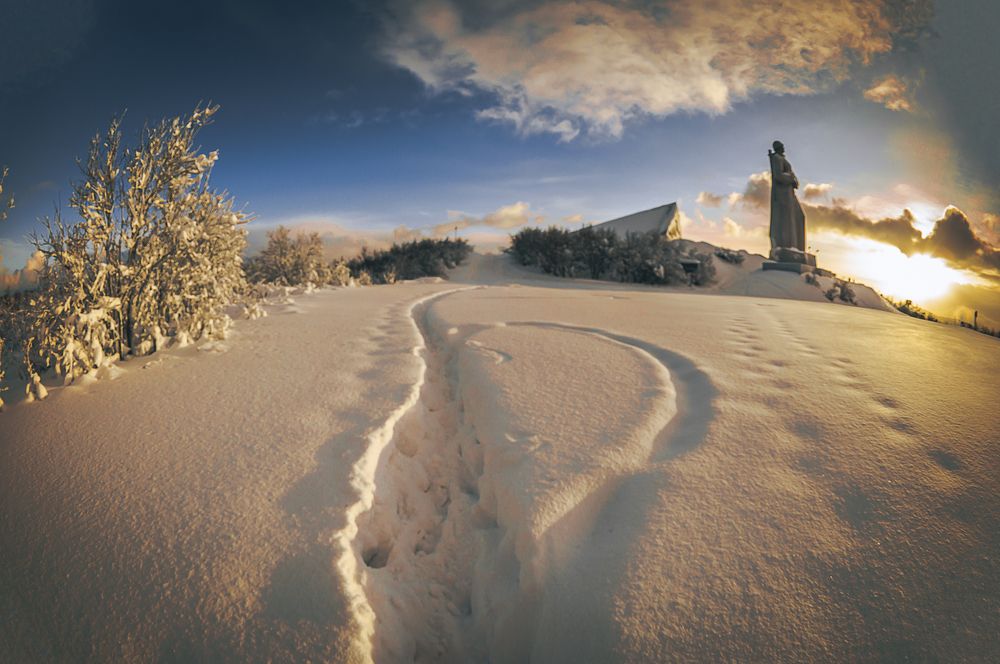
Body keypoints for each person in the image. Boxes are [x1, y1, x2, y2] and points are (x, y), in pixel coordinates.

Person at [768, 140, 807, 256]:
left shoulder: (782, 159)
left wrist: (794, 181)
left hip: (789, 193)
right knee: (787, 219)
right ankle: (789, 246)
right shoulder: (777, 158)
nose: (784, 147)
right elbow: (778, 176)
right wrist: (791, 178)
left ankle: (797, 248)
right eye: (781, 146)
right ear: (777, 147)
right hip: (783, 194)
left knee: (799, 216)